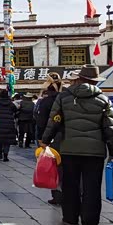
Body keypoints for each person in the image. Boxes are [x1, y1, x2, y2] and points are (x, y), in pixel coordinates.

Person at [40, 65, 113, 225]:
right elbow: (110, 129)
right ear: (94, 81)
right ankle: (90, 224)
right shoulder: (103, 100)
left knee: (70, 185)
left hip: (69, 149)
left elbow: (53, 121)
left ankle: (70, 219)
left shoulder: (63, 97)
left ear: (78, 79)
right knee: (92, 188)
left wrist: (45, 141)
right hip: (95, 152)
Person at [36, 72, 65, 205]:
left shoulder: (46, 101)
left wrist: (41, 138)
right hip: (66, 136)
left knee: (54, 167)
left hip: (52, 138)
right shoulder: (66, 98)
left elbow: (42, 122)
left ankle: (57, 194)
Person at [0, 89, 18, 162]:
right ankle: (5, 155)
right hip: (9, 124)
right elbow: (15, 110)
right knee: (7, 140)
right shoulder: (11, 103)